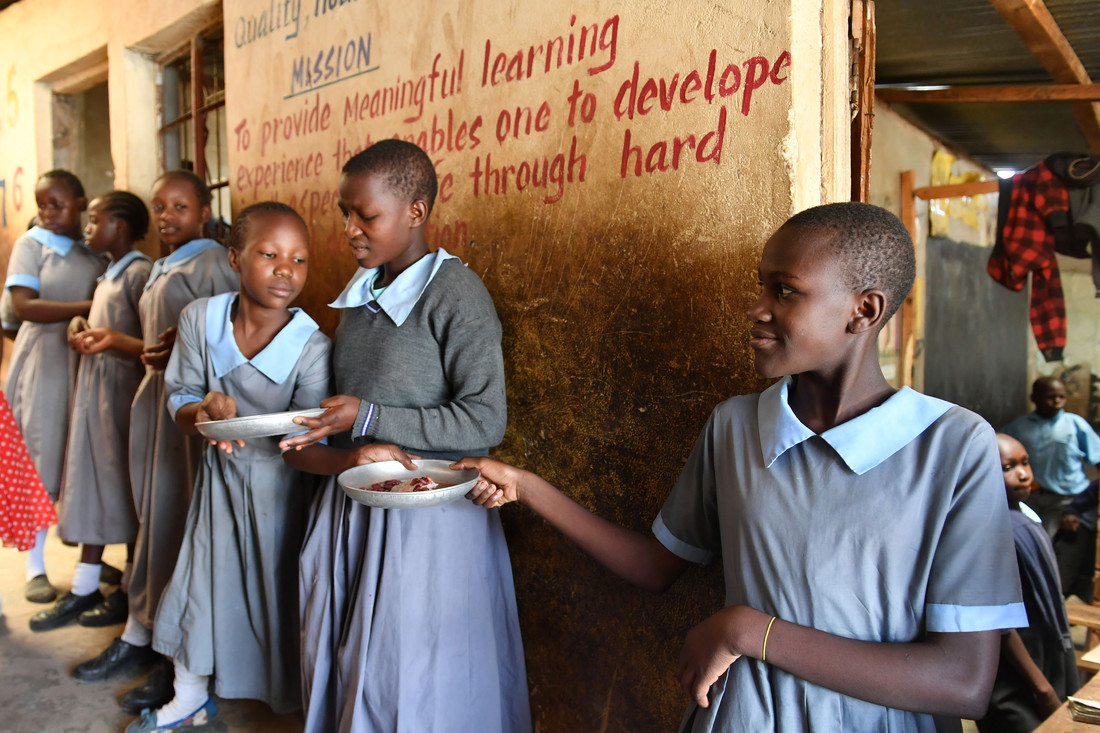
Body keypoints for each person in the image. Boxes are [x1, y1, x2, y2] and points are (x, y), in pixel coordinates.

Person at [460, 202, 1027, 732]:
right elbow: (656, 566)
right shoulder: (734, 427)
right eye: (761, 286)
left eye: (785, 292)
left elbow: (963, 682)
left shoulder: (952, 446)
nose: (757, 309)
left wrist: (751, 630)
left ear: (865, 311)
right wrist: (528, 487)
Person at [280, 139, 532, 733]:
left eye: (365, 216)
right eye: (346, 214)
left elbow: (483, 419)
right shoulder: (360, 295)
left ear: (416, 212)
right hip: (356, 503)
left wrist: (367, 417)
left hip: (428, 518)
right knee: (347, 658)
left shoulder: (456, 295)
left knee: (411, 674)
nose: (350, 230)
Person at [70, 171, 238, 717]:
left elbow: (228, 339)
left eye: (180, 207)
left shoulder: (213, 261)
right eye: (160, 207)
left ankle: (176, 657)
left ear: (204, 208)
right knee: (152, 522)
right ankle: (141, 633)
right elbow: (163, 340)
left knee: (175, 525)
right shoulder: (167, 263)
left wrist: (183, 354)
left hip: (187, 415)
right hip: (156, 405)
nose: (167, 216)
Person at [29, 192, 152, 633]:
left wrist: (113, 340)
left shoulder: (140, 273)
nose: (87, 227)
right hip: (96, 392)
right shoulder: (108, 274)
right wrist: (83, 327)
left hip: (120, 398)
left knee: (122, 492)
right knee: (93, 489)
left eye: (96, 219)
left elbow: (155, 349)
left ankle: (126, 592)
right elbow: (103, 323)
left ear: (120, 227)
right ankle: (84, 587)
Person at [4, 169, 105, 603]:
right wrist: (91, 305)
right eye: (42, 204)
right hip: (44, 360)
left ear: (81, 203)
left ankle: (85, 546)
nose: (47, 212)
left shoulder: (93, 250)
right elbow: (23, 306)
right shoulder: (32, 245)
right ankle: (35, 563)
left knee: (76, 454)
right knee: (39, 455)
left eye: (57, 204)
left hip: (83, 360)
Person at [976, 433, 1078, 732]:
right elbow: (999, 623)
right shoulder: (988, 528)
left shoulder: (1025, 515)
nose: (1023, 474)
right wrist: (1042, 687)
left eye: (1025, 463)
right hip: (1014, 669)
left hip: (1044, 651)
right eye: (1008, 467)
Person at [1002, 377, 1100, 536]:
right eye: (1050, 397)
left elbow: (1097, 456)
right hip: (1031, 497)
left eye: (1061, 397)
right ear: (1034, 398)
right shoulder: (1019, 427)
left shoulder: (1074, 424)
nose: (1057, 401)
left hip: (1068, 498)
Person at [1055, 478, 1099, 601]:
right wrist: (1071, 513)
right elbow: (1075, 506)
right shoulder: (1097, 485)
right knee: (1066, 569)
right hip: (1085, 529)